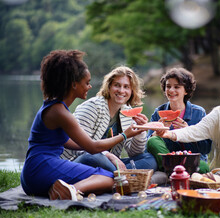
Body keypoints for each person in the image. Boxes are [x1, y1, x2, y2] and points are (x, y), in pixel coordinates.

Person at [20, 50, 144, 201]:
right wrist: (124, 135)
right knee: (109, 177)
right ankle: (71, 190)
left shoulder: (55, 107)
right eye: (87, 82)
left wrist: (100, 149)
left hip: (31, 174)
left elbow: (73, 143)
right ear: (73, 85)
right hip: (42, 168)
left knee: (105, 173)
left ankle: (64, 188)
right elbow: (92, 147)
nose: (90, 86)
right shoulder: (60, 112)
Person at [61, 66, 157, 172]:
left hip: (109, 164)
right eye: (117, 85)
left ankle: (116, 176)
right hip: (76, 161)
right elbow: (80, 146)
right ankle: (122, 177)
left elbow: (134, 153)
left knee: (149, 159)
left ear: (132, 91)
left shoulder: (126, 112)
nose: (121, 91)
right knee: (93, 157)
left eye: (126, 87)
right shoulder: (92, 107)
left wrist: (140, 132)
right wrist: (109, 155)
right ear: (109, 86)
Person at [146, 67, 212, 173]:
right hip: (169, 157)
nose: (171, 90)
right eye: (168, 86)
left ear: (186, 90)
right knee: (152, 140)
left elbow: (206, 148)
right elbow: (148, 146)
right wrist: (157, 133)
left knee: (203, 166)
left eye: (176, 87)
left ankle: (170, 171)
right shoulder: (158, 112)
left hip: (191, 160)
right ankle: (176, 170)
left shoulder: (199, 113)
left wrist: (189, 131)